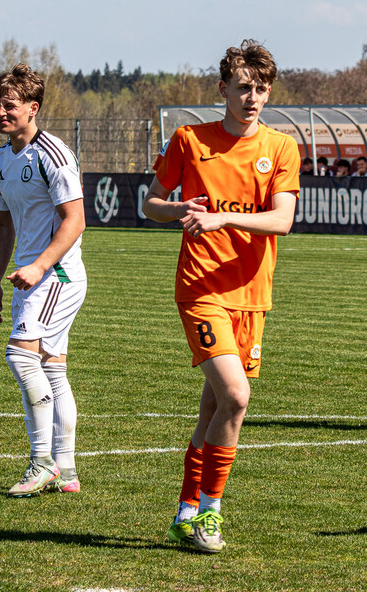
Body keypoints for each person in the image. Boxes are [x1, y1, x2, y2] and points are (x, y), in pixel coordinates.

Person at [143, 40, 299, 554]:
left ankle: (184, 514)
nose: (252, 98)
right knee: (235, 396)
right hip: (201, 288)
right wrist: (179, 209)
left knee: (215, 405)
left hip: (252, 295)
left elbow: (282, 220)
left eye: (261, 89)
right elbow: (151, 204)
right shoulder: (189, 139)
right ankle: (210, 513)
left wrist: (222, 217)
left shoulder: (281, 147)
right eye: (243, 88)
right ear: (223, 90)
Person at [0, 64, 87, 499]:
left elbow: (75, 219)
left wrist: (40, 266)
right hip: (33, 276)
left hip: (56, 275)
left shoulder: (53, 154)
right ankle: (66, 469)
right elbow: (1, 224)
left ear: (33, 108)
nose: (1, 112)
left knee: (20, 357)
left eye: (10, 105)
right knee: (52, 370)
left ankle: (42, 461)